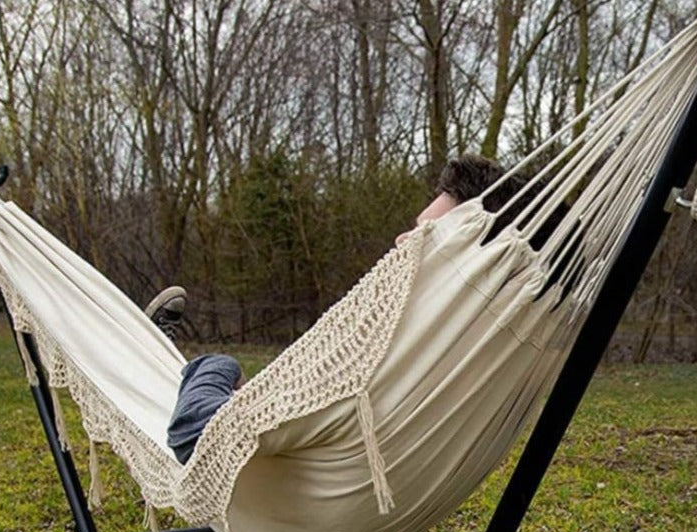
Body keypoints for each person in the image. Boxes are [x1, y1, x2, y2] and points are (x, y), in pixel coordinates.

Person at [149, 154, 521, 463]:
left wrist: (221, 375)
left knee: (215, 364)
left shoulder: (390, 348)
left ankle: (160, 359)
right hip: (313, 472)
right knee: (234, 381)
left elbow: (192, 436)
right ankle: (167, 364)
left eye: (427, 231)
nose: (402, 238)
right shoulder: (469, 347)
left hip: (258, 470)